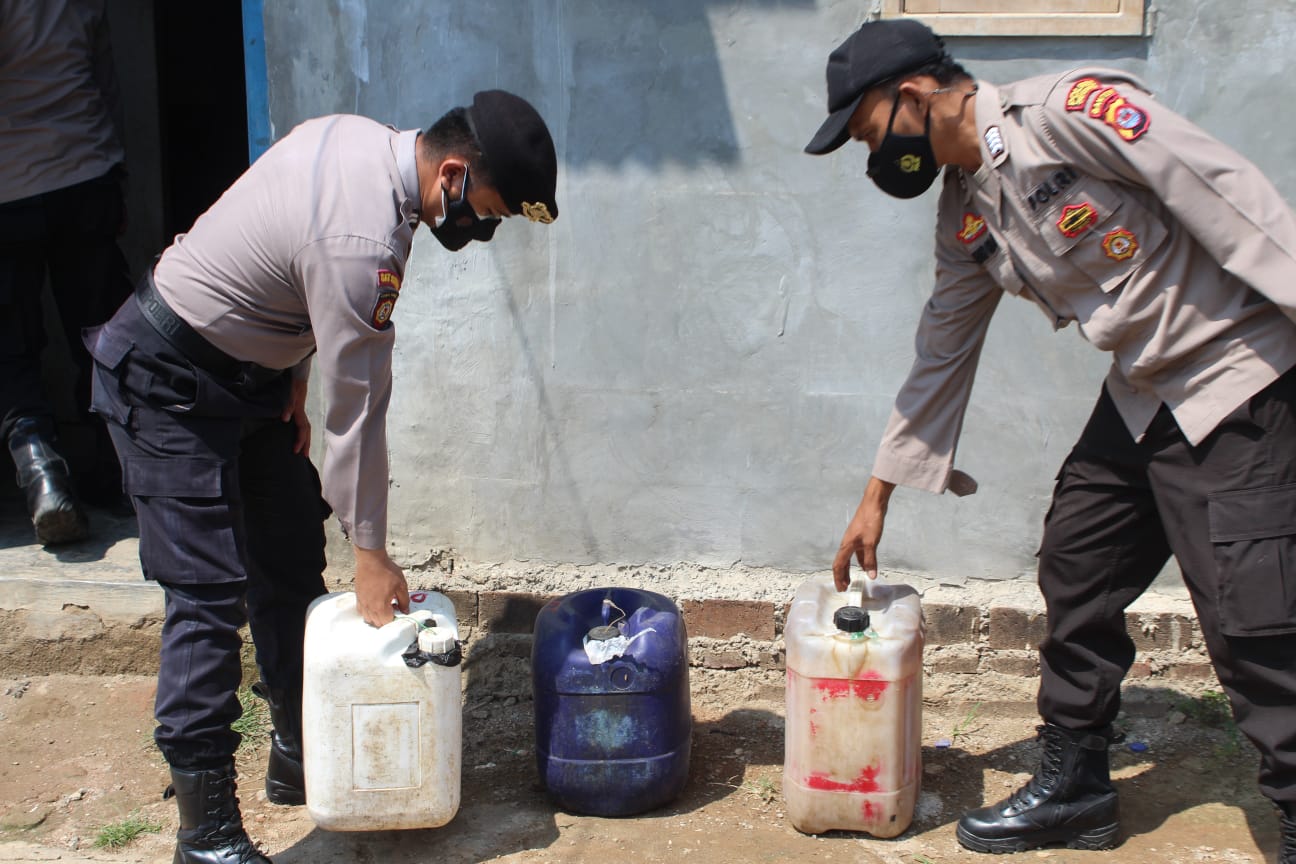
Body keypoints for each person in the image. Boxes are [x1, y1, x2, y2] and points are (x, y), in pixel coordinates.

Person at [805, 19, 1296, 860]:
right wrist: (876, 493)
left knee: (1253, 618)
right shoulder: (967, 211)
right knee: (1079, 562)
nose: (871, 157)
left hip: (1234, 377)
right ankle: (1077, 785)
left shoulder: (1070, 113)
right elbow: (942, 349)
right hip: (1144, 394)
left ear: (914, 97)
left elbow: (1227, 194)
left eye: (868, 133)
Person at [84, 91, 559, 864]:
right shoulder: (363, 237)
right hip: (168, 381)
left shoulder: (364, 145)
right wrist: (370, 553)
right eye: (491, 210)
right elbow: (361, 408)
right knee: (207, 594)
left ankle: (300, 752)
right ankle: (204, 836)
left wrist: (289, 378)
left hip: (246, 380)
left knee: (289, 557)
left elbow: (282, 266)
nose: (486, 229)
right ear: (450, 173)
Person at [0, 0, 135, 545]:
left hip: (9, 190)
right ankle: (124, 473)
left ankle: (41, 472)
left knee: (10, 344)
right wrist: (116, 170)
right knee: (101, 336)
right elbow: (106, 86)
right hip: (88, 177)